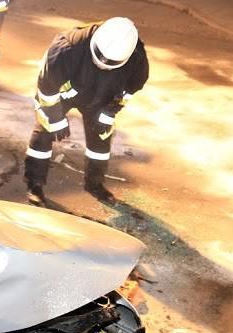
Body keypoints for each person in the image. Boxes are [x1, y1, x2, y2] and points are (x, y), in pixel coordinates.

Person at [24, 17, 148, 206]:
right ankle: (35, 185)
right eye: (99, 58)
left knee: (101, 137)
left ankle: (94, 184)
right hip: (64, 94)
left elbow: (130, 89)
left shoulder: (137, 59)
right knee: (44, 130)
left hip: (102, 98)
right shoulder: (65, 49)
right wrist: (56, 119)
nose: (102, 64)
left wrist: (109, 112)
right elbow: (47, 89)